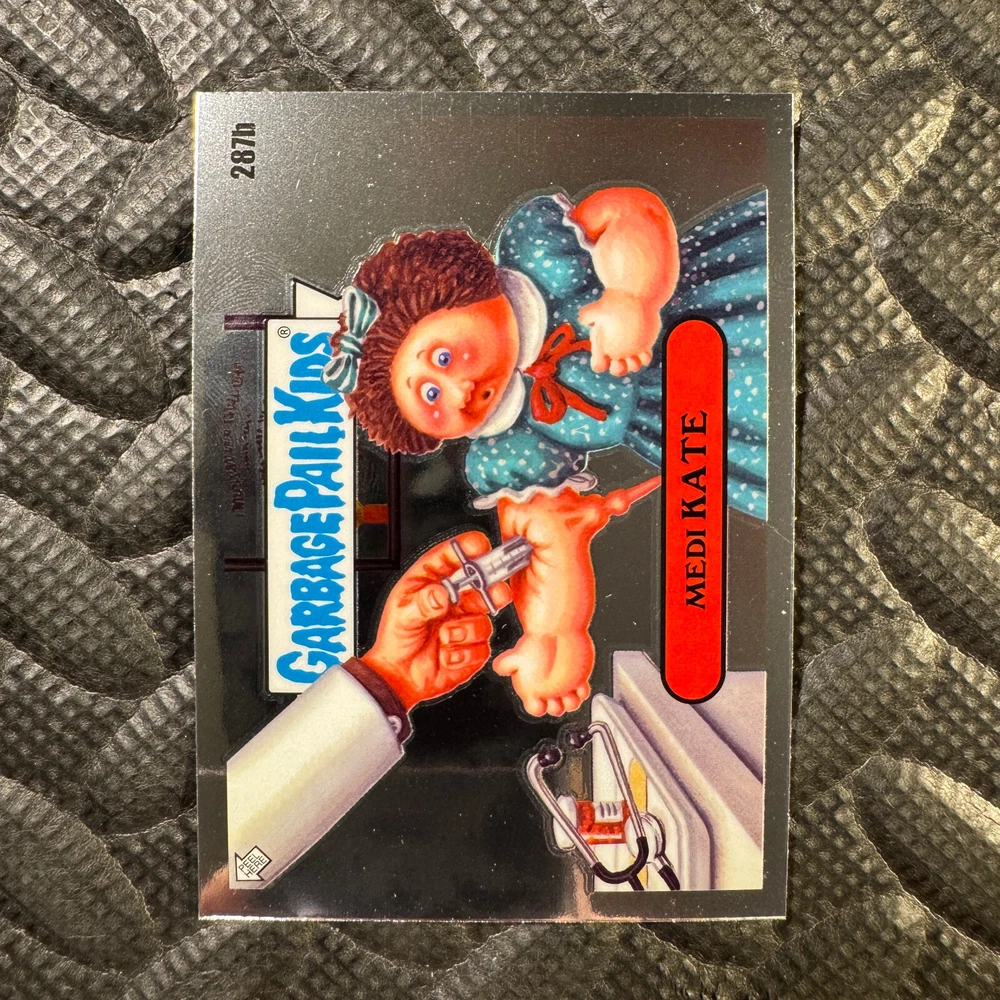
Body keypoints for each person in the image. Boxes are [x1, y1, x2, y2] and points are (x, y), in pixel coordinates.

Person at [324, 185, 767, 716]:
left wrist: (633, 295)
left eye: (440, 358)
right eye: (431, 398)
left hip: (717, 303)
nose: (458, 391)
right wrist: (553, 638)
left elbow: (633, 211)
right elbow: (546, 539)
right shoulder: (507, 450)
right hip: (696, 426)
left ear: (456, 291)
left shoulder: (537, 247)